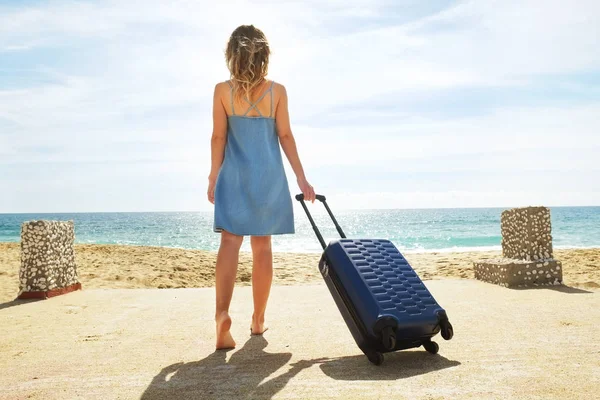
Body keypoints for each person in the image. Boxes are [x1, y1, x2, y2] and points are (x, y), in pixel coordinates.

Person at [207, 25, 316, 350]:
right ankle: (257, 319)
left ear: (232, 56)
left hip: (234, 176)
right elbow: (285, 137)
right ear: (265, 56)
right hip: (268, 177)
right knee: (262, 248)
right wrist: (301, 177)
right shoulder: (277, 91)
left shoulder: (221, 91)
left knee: (229, 242)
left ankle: (222, 315)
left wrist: (213, 176)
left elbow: (218, 138)